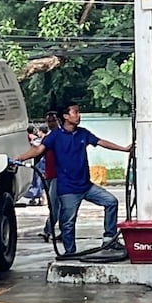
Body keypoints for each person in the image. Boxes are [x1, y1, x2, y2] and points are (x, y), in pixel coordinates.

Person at [15, 101, 132, 255]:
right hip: (68, 188)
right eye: (75, 112)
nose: (78, 115)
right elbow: (38, 150)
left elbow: (101, 142)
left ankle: (109, 238)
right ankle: (70, 253)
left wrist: (123, 149)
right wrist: (19, 158)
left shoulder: (83, 133)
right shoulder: (55, 136)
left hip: (86, 186)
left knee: (111, 202)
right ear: (65, 116)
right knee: (68, 222)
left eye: (78, 112)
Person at [39, 112, 60, 242]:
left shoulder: (62, 137)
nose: (51, 123)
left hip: (59, 176)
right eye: (49, 121)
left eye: (53, 120)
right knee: (55, 206)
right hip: (49, 175)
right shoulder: (48, 138)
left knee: (55, 205)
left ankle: (48, 230)